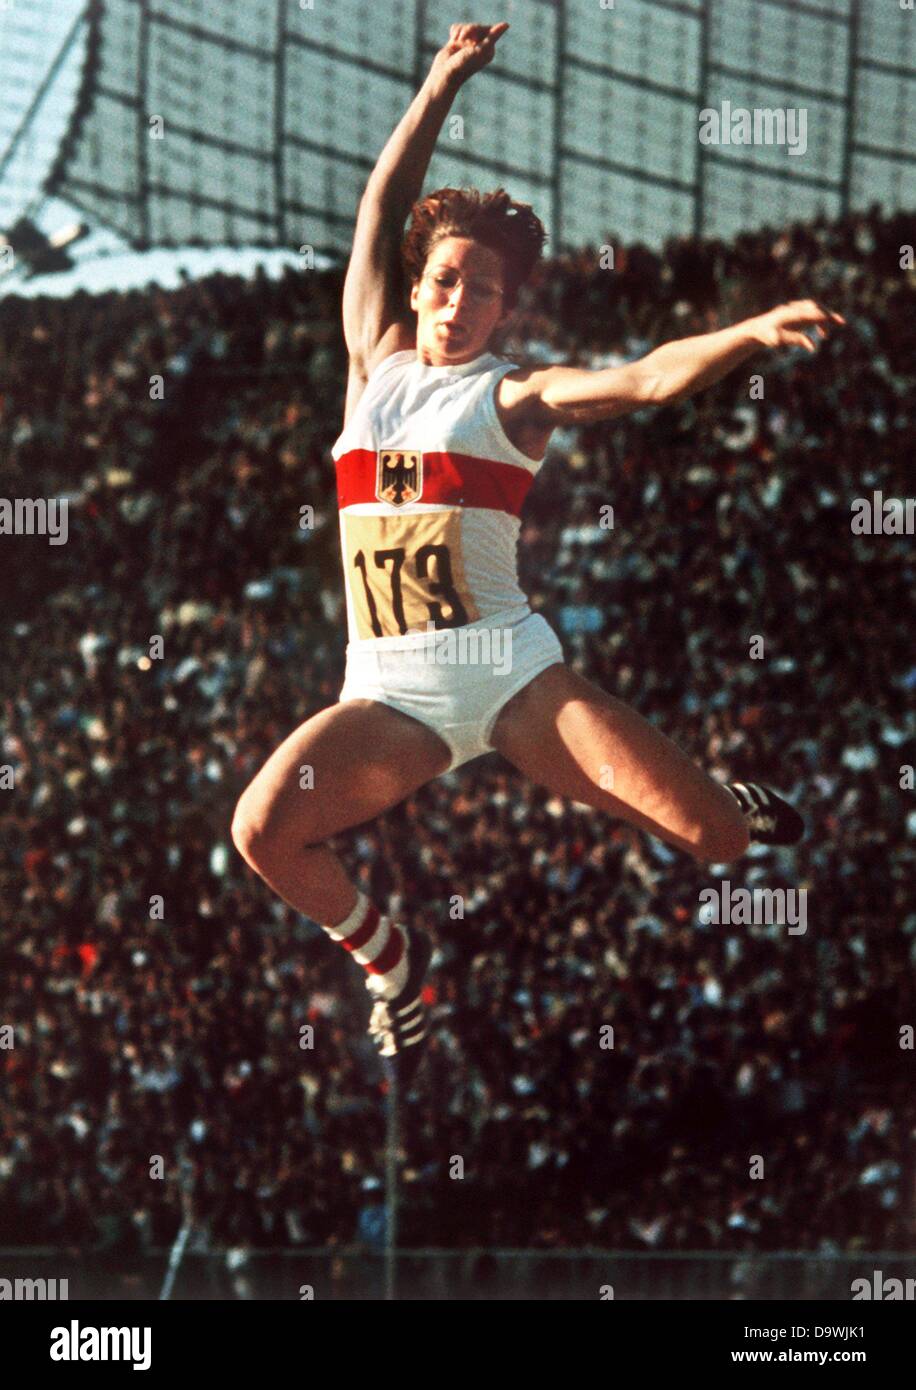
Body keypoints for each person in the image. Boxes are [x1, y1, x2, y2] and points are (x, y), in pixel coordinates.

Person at [231, 22, 844, 1085]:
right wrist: (436, 84)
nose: (457, 302)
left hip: (511, 676)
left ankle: (722, 792)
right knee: (262, 831)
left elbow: (646, 378)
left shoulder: (511, 396)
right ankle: (393, 965)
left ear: (507, 307)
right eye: (444, 281)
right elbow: (380, 212)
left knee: (716, 844)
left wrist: (746, 332)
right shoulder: (370, 370)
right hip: (391, 699)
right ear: (418, 288)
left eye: (481, 290)